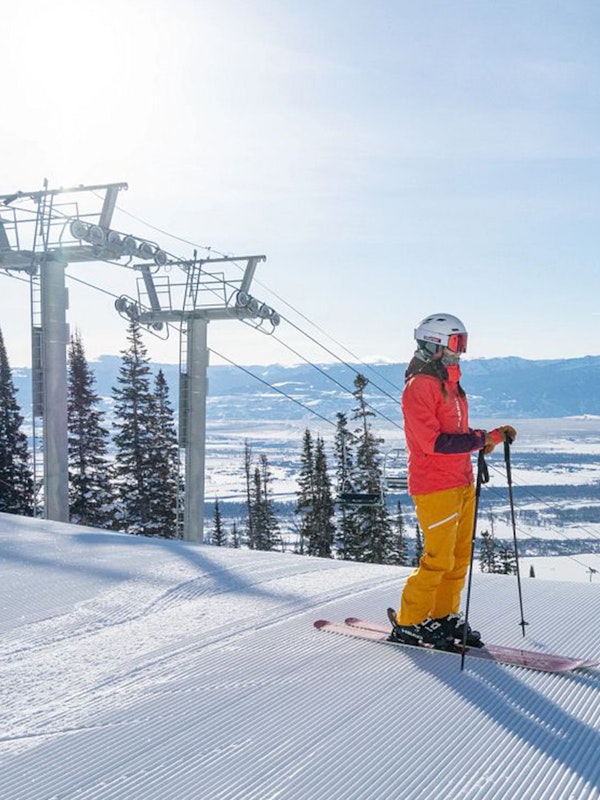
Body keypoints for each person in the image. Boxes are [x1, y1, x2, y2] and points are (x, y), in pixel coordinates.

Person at [389, 313, 517, 650]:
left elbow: (458, 435)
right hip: (435, 486)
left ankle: (443, 615)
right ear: (434, 343)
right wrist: (481, 438)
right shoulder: (419, 387)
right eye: (456, 343)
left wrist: (488, 438)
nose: (461, 351)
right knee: (438, 559)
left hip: (460, 480)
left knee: (459, 557)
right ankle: (410, 621)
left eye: (463, 343)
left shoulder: (450, 384)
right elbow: (435, 442)